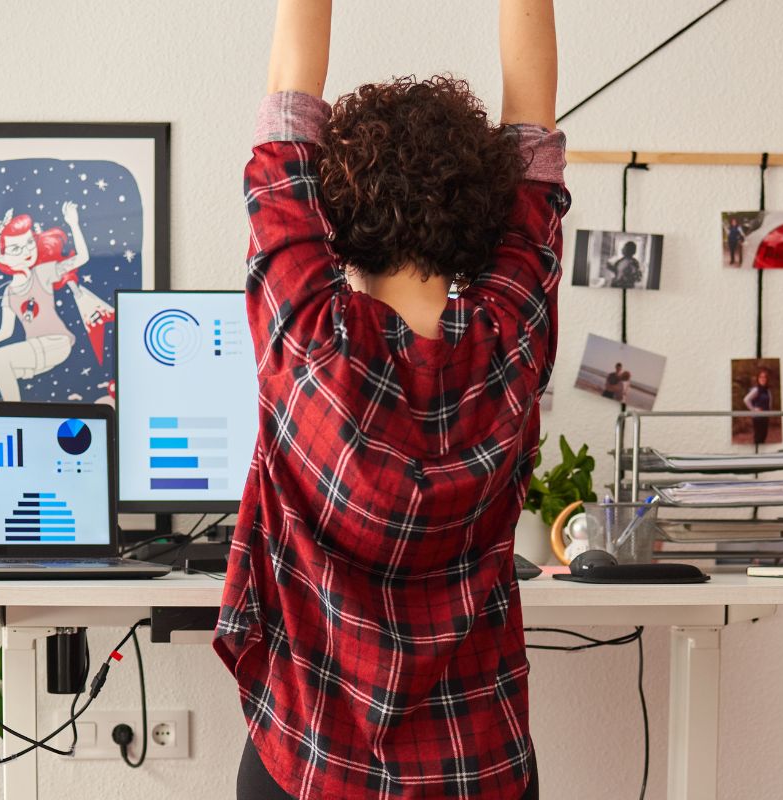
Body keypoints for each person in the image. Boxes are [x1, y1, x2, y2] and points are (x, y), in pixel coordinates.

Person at [213, 2, 565, 798]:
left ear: (330, 218)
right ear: (487, 220)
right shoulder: (512, 337)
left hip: (307, 768)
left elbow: (286, 103)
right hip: (481, 766)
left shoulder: (303, 336)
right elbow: (533, 127)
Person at [0, 202, 87, 400]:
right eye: (16, 249)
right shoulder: (8, 292)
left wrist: (74, 224)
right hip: (35, 350)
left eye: (29, 243)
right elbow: (5, 332)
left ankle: (13, 417)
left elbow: (82, 258)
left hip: (56, 343)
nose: (27, 251)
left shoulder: (42, 273)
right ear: (1, 257)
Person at [743, 366, 774, 444]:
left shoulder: (767, 390)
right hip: (758, 418)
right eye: (761, 377)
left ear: (767, 379)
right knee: (758, 438)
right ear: (758, 378)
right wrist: (753, 409)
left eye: (764, 377)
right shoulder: (756, 390)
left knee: (764, 436)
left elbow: (770, 401)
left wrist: (769, 412)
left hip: (765, 417)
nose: (763, 379)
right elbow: (746, 400)